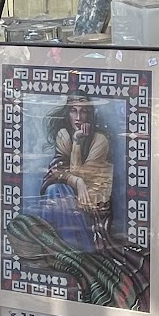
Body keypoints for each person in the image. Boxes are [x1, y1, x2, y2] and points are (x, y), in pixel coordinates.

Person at [37, 92, 114, 251]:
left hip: (93, 202)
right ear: (68, 113)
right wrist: (76, 181)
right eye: (73, 110)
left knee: (58, 191)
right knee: (54, 189)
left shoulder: (100, 139)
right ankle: (53, 248)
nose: (78, 117)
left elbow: (82, 174)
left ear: (89, 114)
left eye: (83, 111)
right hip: (74, 194)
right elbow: (57, 169)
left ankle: (73, 250)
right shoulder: (63, 135)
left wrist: (77, 142)